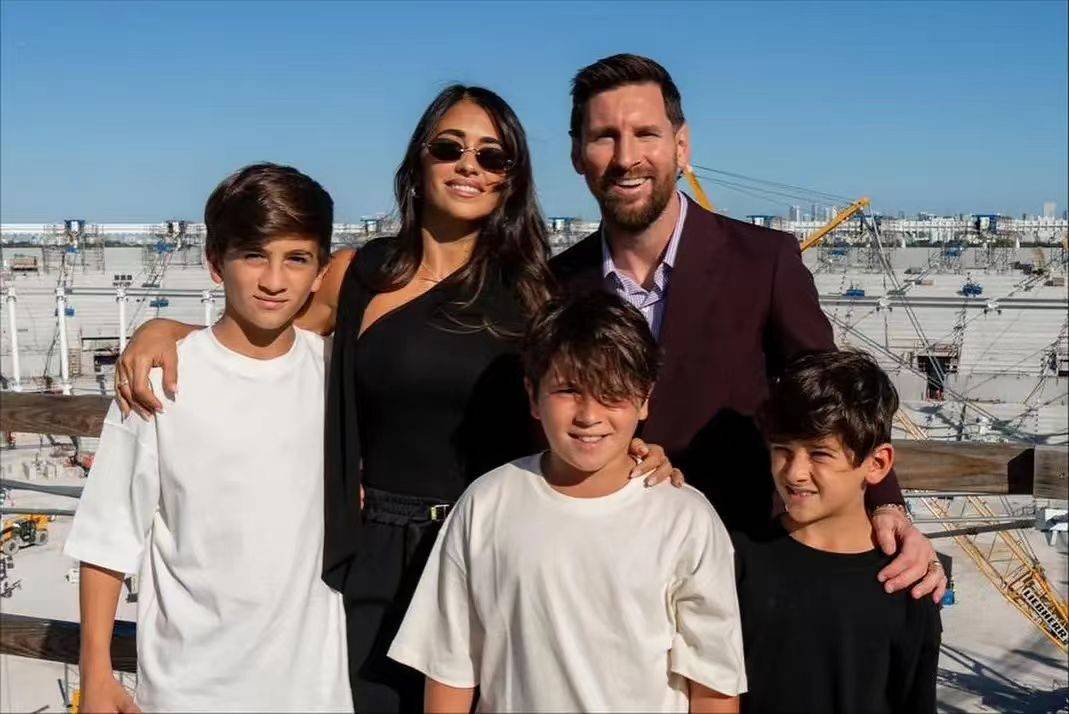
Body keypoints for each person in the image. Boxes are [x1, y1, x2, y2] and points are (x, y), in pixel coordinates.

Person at [111, 85, 678, 712]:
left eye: (492, 156)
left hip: (492, 545)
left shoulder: (538, 290)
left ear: (511, 179)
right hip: (374, 552)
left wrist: (633, 453)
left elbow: (586, 397)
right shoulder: (356, 274)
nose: (469, 166)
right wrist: (167, 329)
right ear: (419, 160)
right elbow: (262, 337)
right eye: (450, 148)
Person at [551, 53, 947, 601]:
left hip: (740, 564)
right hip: (598, 568)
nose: (626, 157)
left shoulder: (764, 262)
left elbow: (831, 394)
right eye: (604, 137)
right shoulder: (551, 284)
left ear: (681, 146)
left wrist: (886, 505)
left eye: (646, 134)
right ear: (577, 154)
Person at [64, 163, 352, 712]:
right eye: (254, 256)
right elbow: (108, 535)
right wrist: (95, 672)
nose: (274, 280)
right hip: (188, 689)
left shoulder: (335, 376)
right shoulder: (156, 382)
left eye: (296, 258)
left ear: (320, 272)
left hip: (313, 690)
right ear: (215, 263)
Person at [389, 291, 747, 713]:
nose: (589, 416)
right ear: (532, 395)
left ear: (645, 398)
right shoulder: (486, 504)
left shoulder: (685, 518)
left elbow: (712, 684)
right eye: (568, 390)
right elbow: (449, 666)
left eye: (611, 393)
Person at [734, 350, 941, 713]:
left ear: (877, 464)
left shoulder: (909, 584)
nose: (794, 472)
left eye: (819, 454)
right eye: (783, 450)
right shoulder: (738, 560)